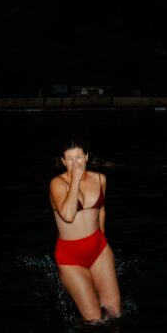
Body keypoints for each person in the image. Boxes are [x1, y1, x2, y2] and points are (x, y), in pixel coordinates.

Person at [49, 138, 122, 322]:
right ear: (63, 161)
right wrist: (74, 180)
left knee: (115, 313)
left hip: (99, 250)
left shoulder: (100, 179)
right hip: (70, 258)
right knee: (94, 320)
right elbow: (68, 215)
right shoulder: (57, 184)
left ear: (87, 157)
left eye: (79, 158)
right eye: (70, 159)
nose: (75, 163)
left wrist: (101, 242)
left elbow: (101, 210)